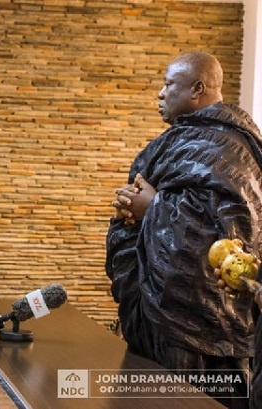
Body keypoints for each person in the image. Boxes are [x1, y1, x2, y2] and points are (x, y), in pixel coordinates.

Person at [106, 51, 262, 408]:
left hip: (202, 334)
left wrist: (153, 207)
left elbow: (234, 237)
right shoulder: (181, 142)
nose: (160, 94)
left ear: (197, 88)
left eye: (168, 84)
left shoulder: (231, 149)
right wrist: (130, 211)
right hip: (155, 321)